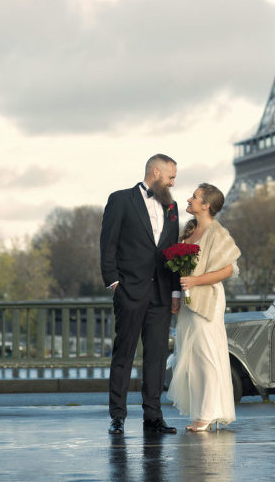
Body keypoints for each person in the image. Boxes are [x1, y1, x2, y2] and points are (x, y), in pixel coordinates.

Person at [100, 153, 181, 435]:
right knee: (123, 354)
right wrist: (114, 283)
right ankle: (118, 416)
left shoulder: (172, 207)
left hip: (160, 294)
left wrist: (175, 292)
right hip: (129, 291)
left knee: (156, 357)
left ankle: (153, 416)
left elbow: (172, 252)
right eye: (171, 176)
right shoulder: (120, 199)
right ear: (155, 172)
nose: (173, 181)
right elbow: (107, 244)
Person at [167, 183, 241, 432]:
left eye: (195, 197)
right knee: (192, 358)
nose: (189, 200)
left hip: (208, 298)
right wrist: (176, 294)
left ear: (206, 205)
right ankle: (201, 411)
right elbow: (179, 271)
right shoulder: (188, 231)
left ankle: (208, 413)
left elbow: (229, 269)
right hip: (188, 300)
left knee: (207, 356)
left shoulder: (218, 233)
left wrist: (196, 281)